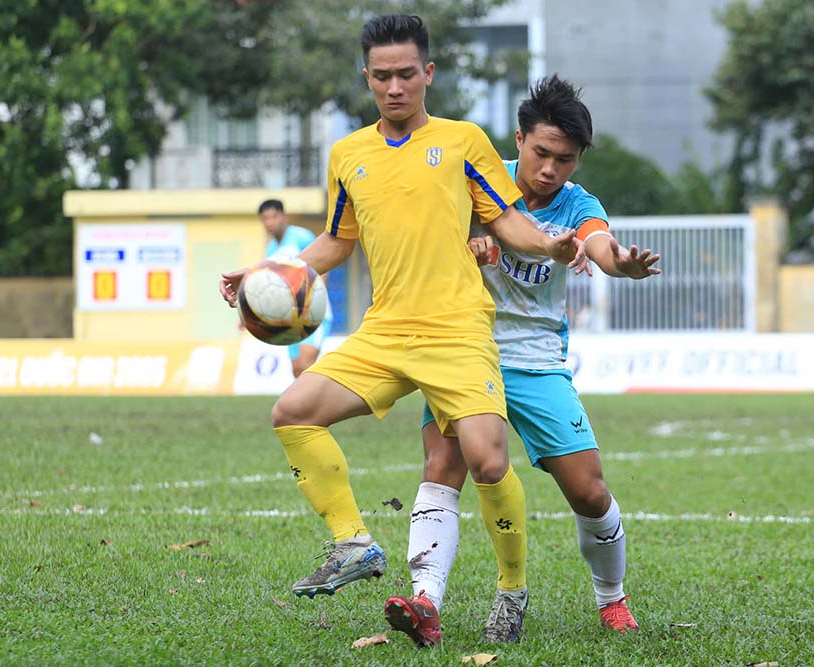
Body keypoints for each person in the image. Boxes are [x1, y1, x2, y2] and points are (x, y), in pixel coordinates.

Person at [219, 15, 588, 645]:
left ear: (428, 75)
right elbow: (337, 242)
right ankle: (354, 544)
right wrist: (268, 272)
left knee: (488, 461)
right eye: (382, 76)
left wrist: (556, 245)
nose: (395, 87)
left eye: (407, 74)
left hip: (457, 329)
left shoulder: (464, 141)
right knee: (293, 410)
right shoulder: (348, 155)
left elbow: (507, 222)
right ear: (367, 77)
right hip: (385, 330)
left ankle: (511, 591)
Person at [385, 75, 661, 645]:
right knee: (443, 468)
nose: (550, 169)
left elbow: (600, 244)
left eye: (565, 159)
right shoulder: (478, 183)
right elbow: (437, 241)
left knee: (589, 491)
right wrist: (471, 244)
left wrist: (621, 264)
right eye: (540, 153)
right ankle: (425, 600)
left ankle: (612, 599)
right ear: (518, 139)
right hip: (463, 351)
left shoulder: (578, 204)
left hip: (537, 360)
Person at [257, 199, 334, 377]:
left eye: (274, 216)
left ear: (284, 217)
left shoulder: (301, 237)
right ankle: (314, 405)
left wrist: (314, 298)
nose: (270, 222)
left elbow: (323, 264)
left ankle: (324, 402)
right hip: (289, 319)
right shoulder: (271, 249)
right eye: (265, 218)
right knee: (297, 370)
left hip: (313, 314)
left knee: (306, 364)